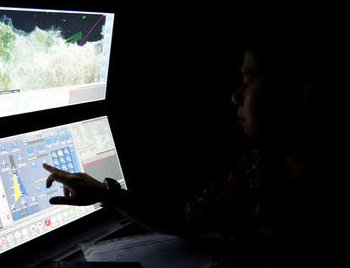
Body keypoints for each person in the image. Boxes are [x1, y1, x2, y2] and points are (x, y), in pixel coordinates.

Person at [43, 41, 309, 267]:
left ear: (298, 92)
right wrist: (103, 193)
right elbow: (187, 218)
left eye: (249, 80)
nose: (235, 97)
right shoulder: (258, 166)